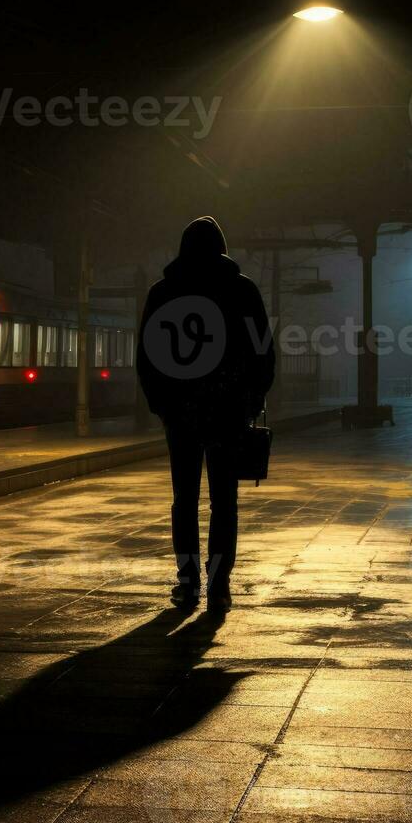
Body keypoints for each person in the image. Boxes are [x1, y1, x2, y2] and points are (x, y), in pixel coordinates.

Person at [136, 216, 275, 613]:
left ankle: (187, 581)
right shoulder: (242, 290)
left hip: (179, 412)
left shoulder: (163, 293)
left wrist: (159, 404)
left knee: (184, 499)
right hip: (228, 410)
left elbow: (146, 355)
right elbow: (263, 351)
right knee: (224, 501)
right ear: (222, 248)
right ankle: (219, 585)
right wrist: (251, 400)